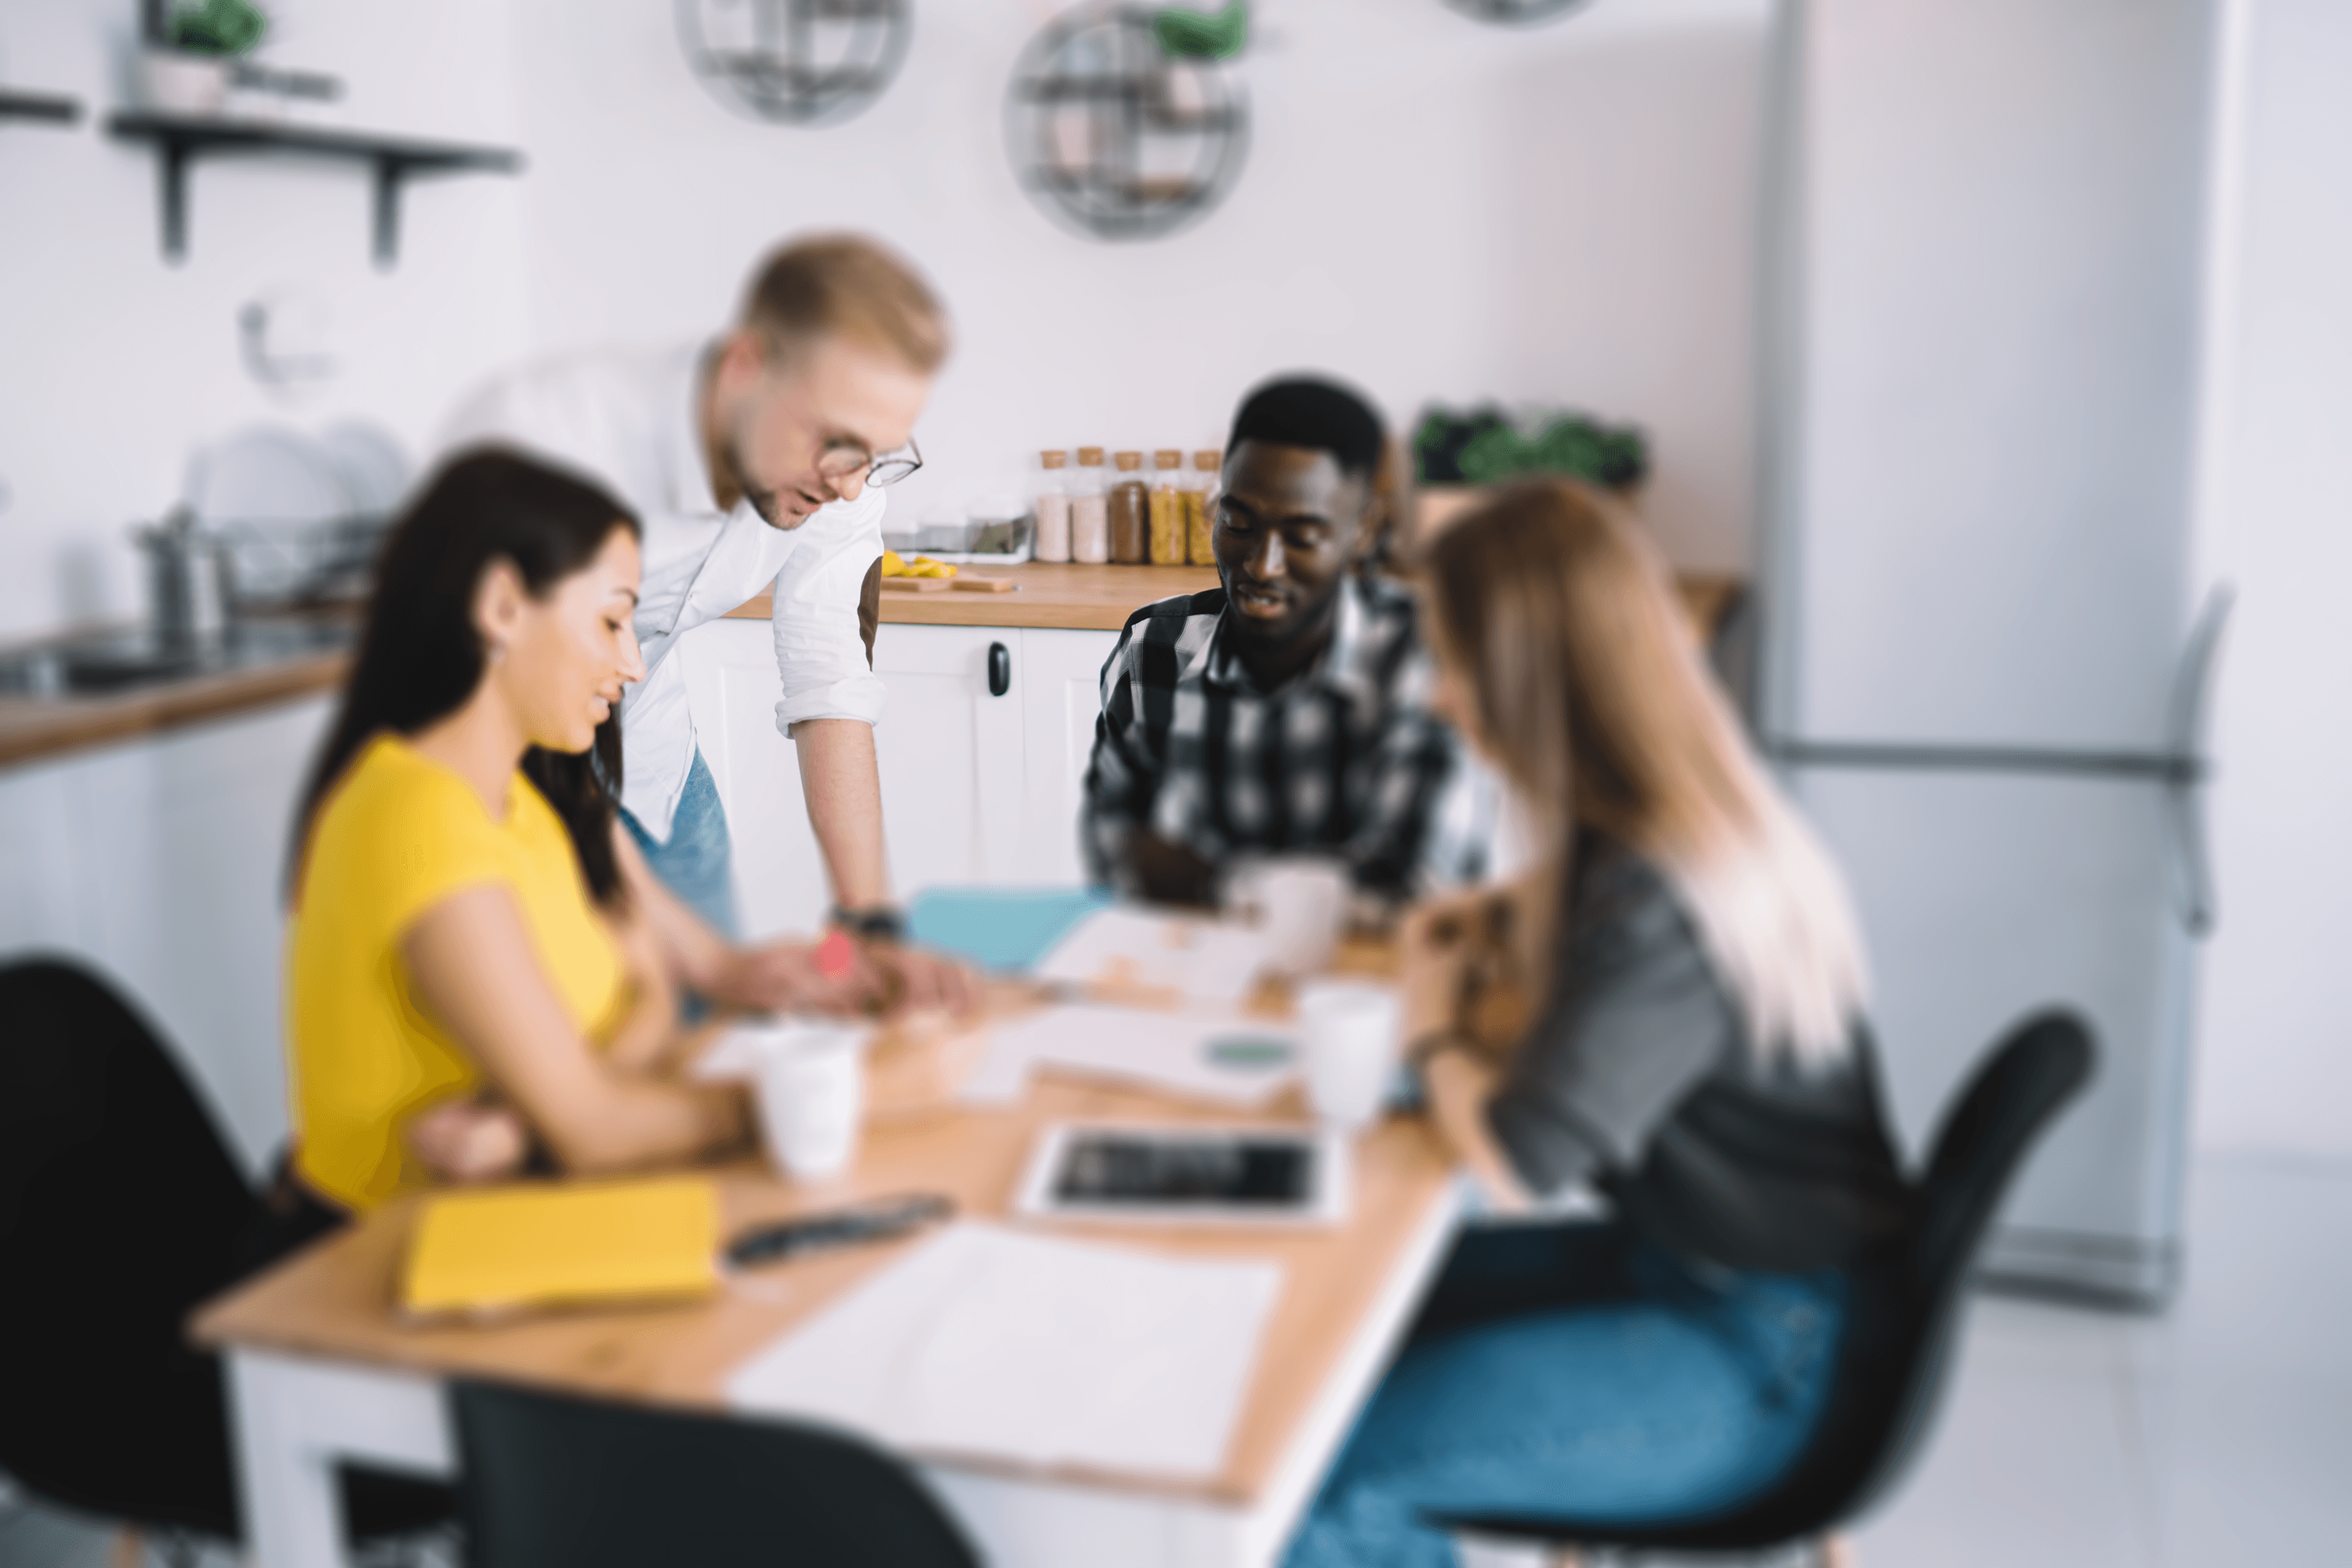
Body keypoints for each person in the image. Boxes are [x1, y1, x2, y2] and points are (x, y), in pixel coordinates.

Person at [1282, 480, 1913, 1567]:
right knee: (1331, 1334)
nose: (1438, 697)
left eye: (1454, 660)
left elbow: (1523, 1157)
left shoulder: (1663, 892)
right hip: (1700, 1269)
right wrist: (1487, 916)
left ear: (1530, 679)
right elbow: (1563, 930)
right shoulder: (1678, 825)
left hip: (1767, 1346)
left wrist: (1431, 1030)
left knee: (1326, 1480)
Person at [273, 451, 869, 1241]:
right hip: (384, 1277)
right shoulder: (414, 818)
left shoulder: (533, 795)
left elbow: (651, 991)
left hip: (511, 1226)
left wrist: (534, 1119)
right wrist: (846, 1096)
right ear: (503, 605)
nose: (632, 663)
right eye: (612, 618)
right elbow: (596, 1129)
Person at [442, 234, 975, 1013]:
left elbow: (832, 681)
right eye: (838, 442)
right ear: (745, 368)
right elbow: (509, 724)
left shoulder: (841, 479)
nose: (855, 485)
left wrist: (868, 924)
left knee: (723, 1031)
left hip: (654, 768)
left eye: (882, 455)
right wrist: (698, 961)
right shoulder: (550, 440)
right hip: (511, 782)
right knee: (588, 1054)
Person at [1080, 376, 1472, 909]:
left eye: (1303, 536)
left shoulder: (1426, 657)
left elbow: (1416, 892)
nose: (1262, 565)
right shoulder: (1153, 649)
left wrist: (1216, 885)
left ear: (1361, 533)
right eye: (1239, 522)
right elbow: (1113, 848)